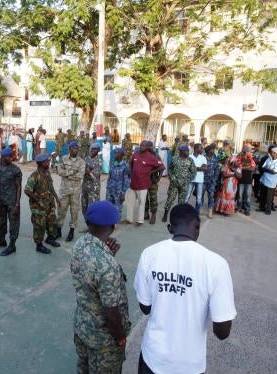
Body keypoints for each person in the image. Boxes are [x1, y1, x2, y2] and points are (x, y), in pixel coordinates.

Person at [134, 204, 236, 374]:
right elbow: (222, 331)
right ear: (197, 227)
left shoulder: (149, 254)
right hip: (189, 364)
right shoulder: (216, 264)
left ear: (169, 228)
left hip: (153, 358)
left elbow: (145, 308)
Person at [71, 201, 131, 374]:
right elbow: (111, 312)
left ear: (88, 223)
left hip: (82, 328)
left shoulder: (80, 245)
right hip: (103, 341)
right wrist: (119, 337)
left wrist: (108, 254)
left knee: (83, 368)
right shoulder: (107, 265)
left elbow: (91, 273)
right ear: (113, 227)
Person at [24, 153, 61, 254]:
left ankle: (50, 238)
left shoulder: (47, 173)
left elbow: (51, 187)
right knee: (39, 225)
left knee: (51, 222)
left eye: (48, 161)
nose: (49, 163)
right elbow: (27, 190)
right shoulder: (34, 176)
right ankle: (39, 245)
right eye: (46, 162)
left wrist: (57, 198)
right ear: (41, 163)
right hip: (39, 207)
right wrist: (37, 200)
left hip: (49, 203)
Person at [0, 148, 22, 256]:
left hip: (12, 201)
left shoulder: (15, 170)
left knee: (14, 223)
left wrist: (17, 203)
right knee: (0, 221)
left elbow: (18, 187)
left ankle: (12, 245)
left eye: (12, 156)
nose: (11, 158)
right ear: (3, 157)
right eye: (9, 156)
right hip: (0, 201)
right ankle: (2, 240)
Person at [123, 141, 164, 226]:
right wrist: (132, 172)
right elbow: (131, 163)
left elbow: (162, 166)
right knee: (131, 202)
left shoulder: (153, 157)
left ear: (148, 147)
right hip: (133, 183)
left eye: (143, 145)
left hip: (146, 183)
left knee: (145, 201)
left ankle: (144, 219)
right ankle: (129, 219)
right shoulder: (136, 154)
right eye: (140, 145)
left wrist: (153, 173)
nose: (141, 146)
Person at [56, 141, 86, 242]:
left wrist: (67, 174)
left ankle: (71, 231)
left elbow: (80, 175)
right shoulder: (63, 158)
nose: (75, 150)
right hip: (64, 190)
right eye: (73, 148)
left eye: (77, 148)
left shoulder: (81, 162)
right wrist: (72, 172)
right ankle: (58, 229)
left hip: (75, 192)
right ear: (69, 149)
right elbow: (59, 171)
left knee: (74, 212)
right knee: (61, 210)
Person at [162, 145, 196, 222]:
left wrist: (188, 179)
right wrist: (172, 178)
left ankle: (179, 217)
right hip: (174, 184)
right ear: (181, 151)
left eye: (188, 151)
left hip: (184, 185)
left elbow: (193, 172)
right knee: (170, 199)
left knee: (181, 202)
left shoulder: (190, 160)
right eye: (186, 151)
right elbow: (170, 169)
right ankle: (165, 214)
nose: (188, 152)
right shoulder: (174, 159)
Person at [106, 148, 131, 221]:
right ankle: (109, 221)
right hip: (110, 189)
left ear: (121, 155)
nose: (115, 155)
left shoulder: (125, 166)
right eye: (114, 153)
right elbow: (110, 176)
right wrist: (108, 187)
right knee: (108, 206)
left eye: (116, 153)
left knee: (117, 208)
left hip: (119, 191)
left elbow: (127, 180)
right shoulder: (113, 163)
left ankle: (115, 222)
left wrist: (123, 193)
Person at [257, 147, 277, 215]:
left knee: (269, 198)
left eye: (271, 152)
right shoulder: (269, 159)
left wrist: (267, 169)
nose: (270, 153)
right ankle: (261, 208)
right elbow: (263, 167)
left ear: (275, 153)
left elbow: (275, 172)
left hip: (271, 183)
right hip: (264, 180)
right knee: (262, 196)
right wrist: (269, 170)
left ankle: (268, 210)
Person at [185, 143, 208, 215]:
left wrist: (194, 168)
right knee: (187, 196)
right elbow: (187, 168)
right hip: (190, 179)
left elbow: (205, 168)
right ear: (196, 149)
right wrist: (199, 168)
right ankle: (184, 211)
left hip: (200, 180)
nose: (202, 149)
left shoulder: (203, 157)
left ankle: (196, 213)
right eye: (201, 148)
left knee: (199, 198)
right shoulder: (189, 157)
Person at [144, 141, 162, 224]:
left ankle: (153, 214)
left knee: (153, 198)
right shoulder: (142, 154)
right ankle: (146, 213)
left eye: (148, 146)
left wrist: (158, 178)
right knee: (144, 198)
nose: (147, 148)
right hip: (143, 179)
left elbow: (162, 167)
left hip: (153, 180)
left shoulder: (155, 155)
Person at [81, 143, 101, 218]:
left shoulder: (99, 160)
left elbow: (94, 175)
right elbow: (81, 170)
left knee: (93, 208)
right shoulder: (86, 158)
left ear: (98, 150)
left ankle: (94, 227)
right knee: (84, 208)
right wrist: (86, 171)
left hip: (94, 188)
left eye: (95, 149)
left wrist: (87, 172)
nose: (92, 150)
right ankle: (88, 224)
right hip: (85, 187)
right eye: (92, 149)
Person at [236, 145, 256, 216]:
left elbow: (253, 168)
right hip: (241, 180)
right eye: (249, 151)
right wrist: (248, 167)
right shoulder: (239, 158)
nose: (250, 153)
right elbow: (238, 166)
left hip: (248, 181)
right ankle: (239, 207)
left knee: (247, 196)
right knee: (240, 196)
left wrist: (243, 167)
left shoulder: (251, 159)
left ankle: (247, 209)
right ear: (245, 152)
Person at [202, 144, 219, 219]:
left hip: (212, 181)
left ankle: (210, 212)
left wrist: (215, 179)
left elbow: (217, 170)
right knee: (201, 195)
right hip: (203, 180)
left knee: (211, 196)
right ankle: (200, 209)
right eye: (212, 149)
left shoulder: (215, 158)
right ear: (208, 151)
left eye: (213, 149)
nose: (213, 151)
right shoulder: (203, 158)